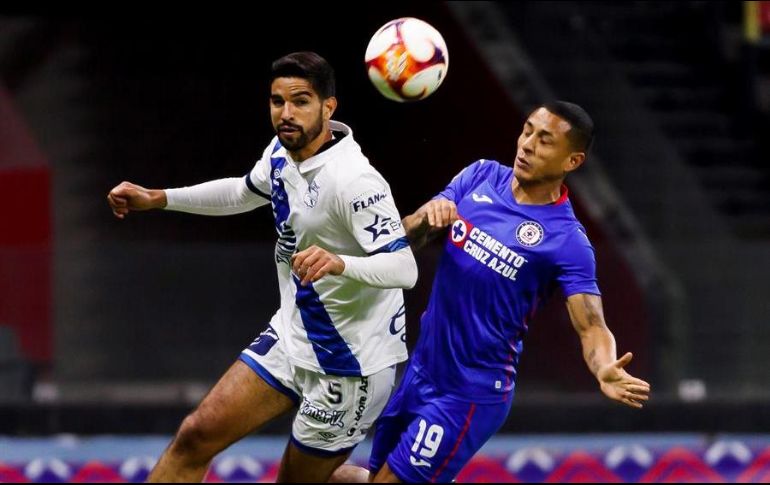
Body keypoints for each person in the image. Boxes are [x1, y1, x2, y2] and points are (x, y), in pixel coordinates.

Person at [106, 51, 418, 483]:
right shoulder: (281, 152)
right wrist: (159, 197)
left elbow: (405, 268)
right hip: (293, 336)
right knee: (195, 436)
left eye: (301, 101)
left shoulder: (357, 181)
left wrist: (340, 262)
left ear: (329, 107)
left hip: (350, 367)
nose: (286, 114)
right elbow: (242, 192)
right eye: (277, 101)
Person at [332, 101, 651, 483]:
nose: (527, 144)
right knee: (362, 476)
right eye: (527, 130)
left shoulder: (568, 241)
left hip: (470, 395)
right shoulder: (480, 176)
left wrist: (603, 367)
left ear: (573, 160)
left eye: (545, 140)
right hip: (420, 372)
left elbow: (592, 326)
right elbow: (404, 239)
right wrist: (425, 216)